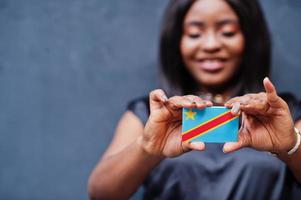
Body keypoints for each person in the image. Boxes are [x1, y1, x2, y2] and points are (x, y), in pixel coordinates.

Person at [88, 0, 301, 199]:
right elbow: (101, 194)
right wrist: (146, 148)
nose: (210, 45)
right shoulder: (149, 114)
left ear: (250, 38)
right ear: (176, 41)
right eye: (194, 33)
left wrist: (292, 147)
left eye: (227, 32)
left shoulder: (282, 114)